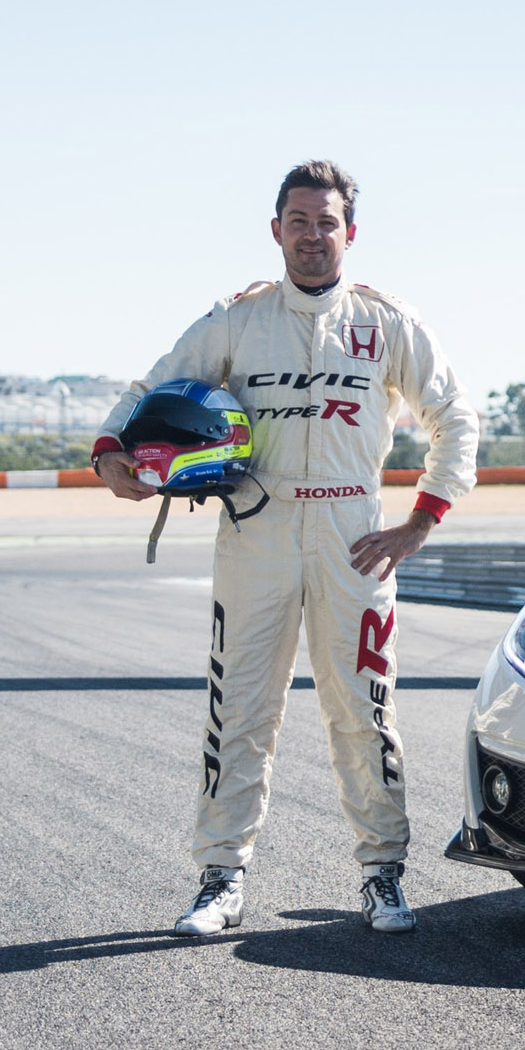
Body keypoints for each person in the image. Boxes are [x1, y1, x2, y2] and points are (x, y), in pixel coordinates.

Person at [93, 160, 478, 937]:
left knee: (365, 711)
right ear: (276, 230)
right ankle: (220, 880)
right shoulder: (237, 318)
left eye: (325, 221)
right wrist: (110, 449)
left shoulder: (387, 321)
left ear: (350, 232)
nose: (312, 235)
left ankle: (382, 874)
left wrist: (419, 521)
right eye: (298, 221)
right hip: (255, 529)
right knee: (238, 711)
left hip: (355, 537)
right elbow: (151, 386)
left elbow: (456, 417)